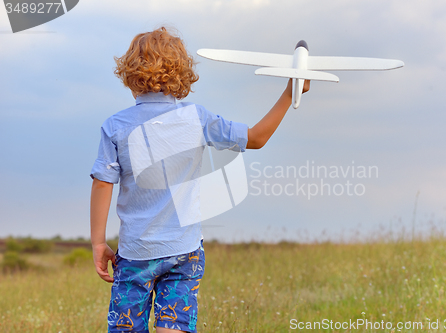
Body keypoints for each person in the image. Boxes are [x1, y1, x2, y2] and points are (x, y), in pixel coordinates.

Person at [89, 26, 309, 333]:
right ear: (181, 72)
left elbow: (103, 182)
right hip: (184, 250)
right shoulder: (197, 118)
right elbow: (257, 138)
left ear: (129, 72)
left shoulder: (115, 126)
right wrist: (290, 91)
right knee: (175, 328)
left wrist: (99, 242)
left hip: (136, 253)